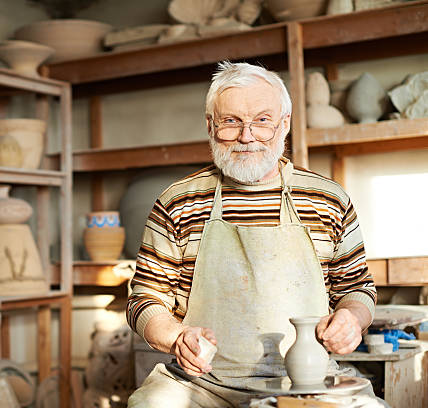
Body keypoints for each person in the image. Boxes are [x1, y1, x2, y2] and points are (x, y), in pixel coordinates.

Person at [126, 61, 380, 408]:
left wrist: (352, 319)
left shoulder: (327, 199)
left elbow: (357, 288)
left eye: (262, 120)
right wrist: (176, 337)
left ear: (284, 124)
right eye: (231, 122)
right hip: (202, 384)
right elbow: (144, 298)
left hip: (308, 381)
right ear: (210, 125)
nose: (247, 136)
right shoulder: (178, 201)